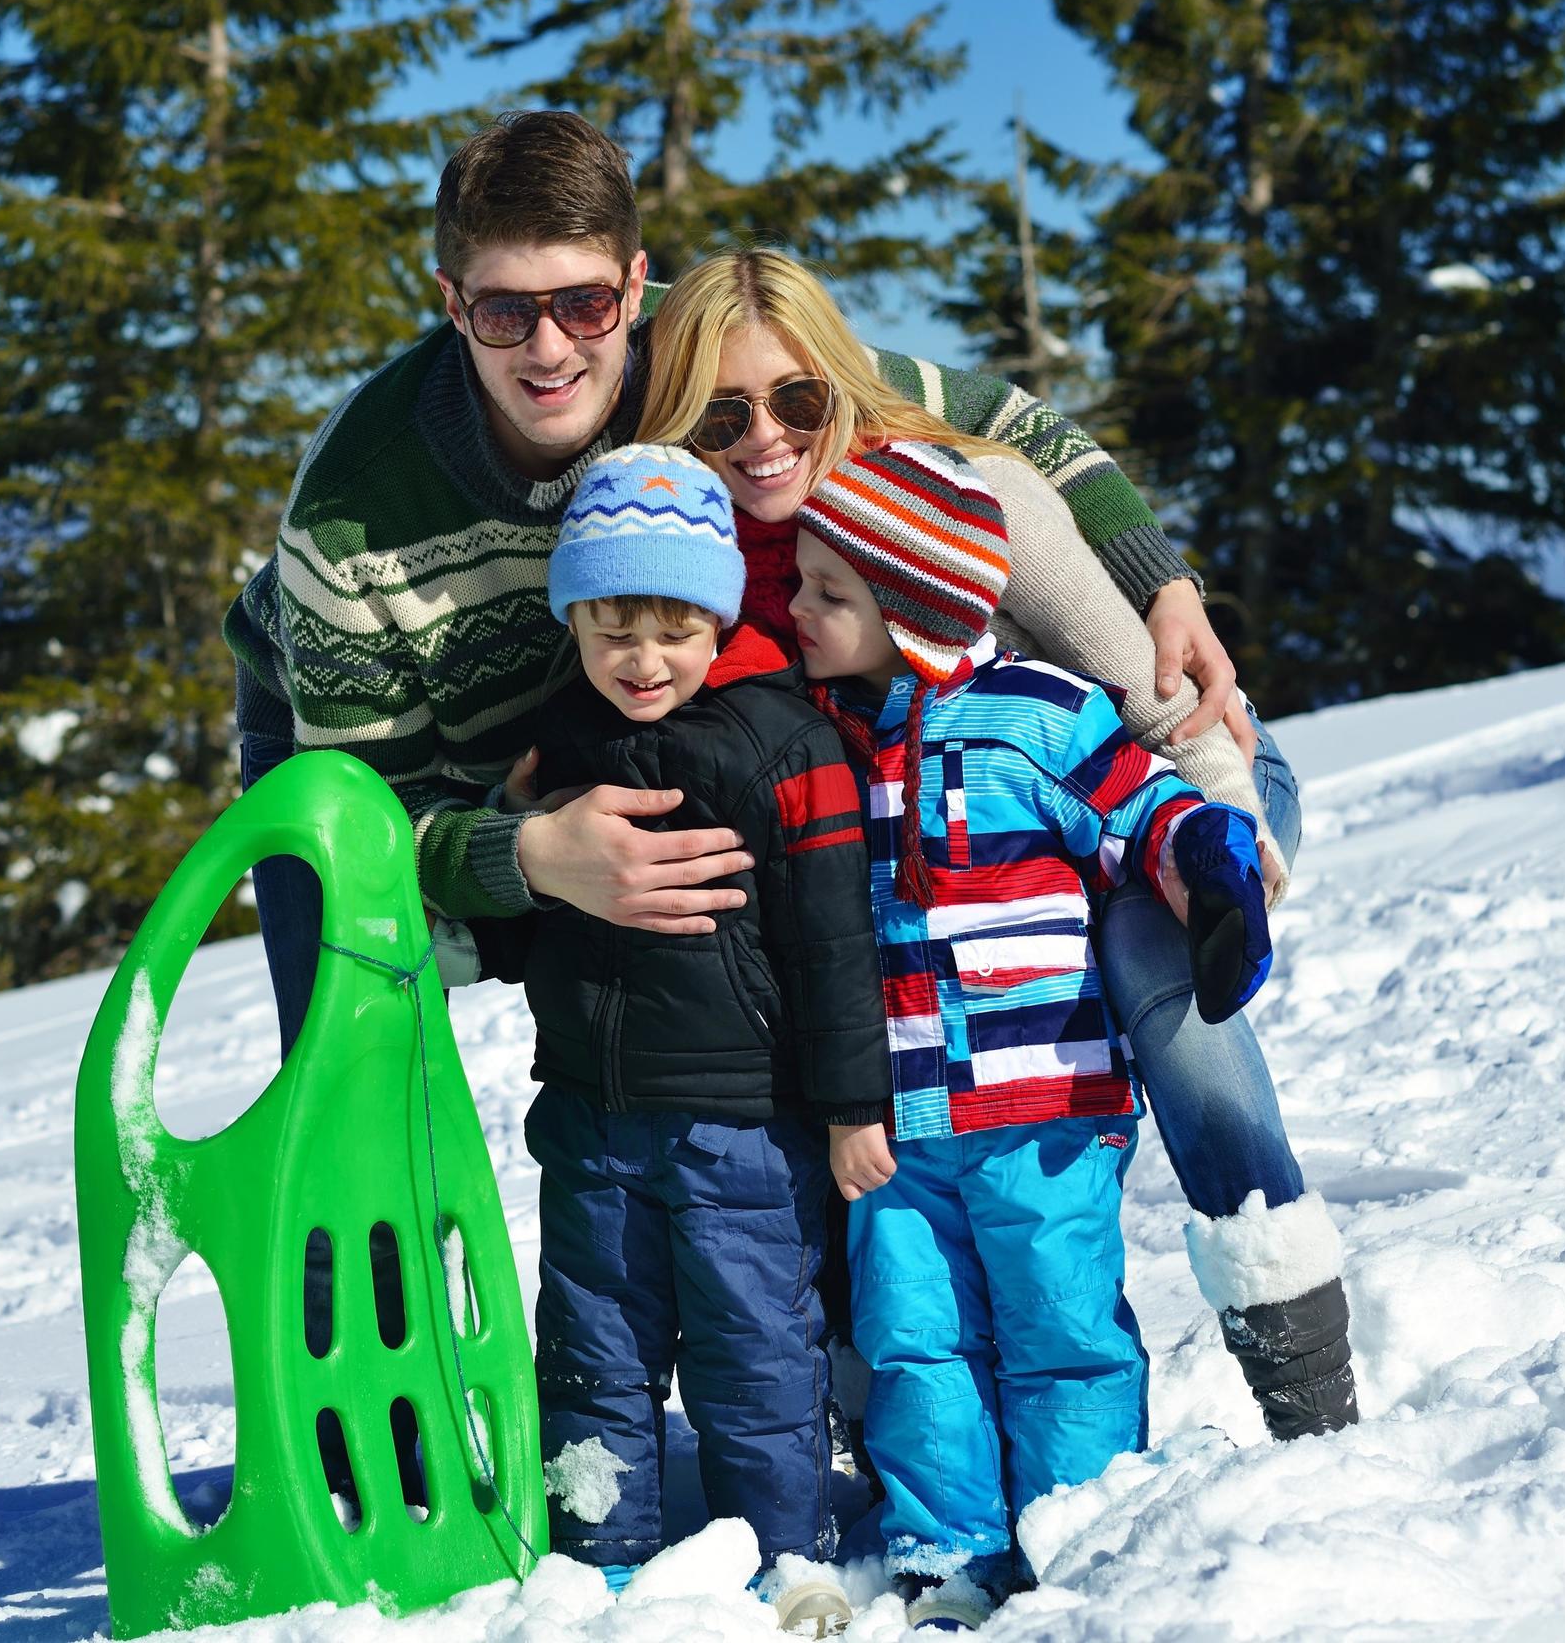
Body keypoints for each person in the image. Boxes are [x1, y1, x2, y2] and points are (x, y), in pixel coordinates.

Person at [222, 112, 1232, 1015]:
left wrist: (1161, 581)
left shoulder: (711, 348)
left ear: (632, 282)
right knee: (356, 1023)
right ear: (451, 301)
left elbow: (1007, 419)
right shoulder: (355, 508)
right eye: (503, 312)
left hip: (617, 721)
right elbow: (372, 827)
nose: (548, 347)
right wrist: (525, 852)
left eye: (582, 304)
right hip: (361, 738)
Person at [636, 248, 1358, 1444]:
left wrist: (1222, 844)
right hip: (976, 826)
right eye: (724, 412)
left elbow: (1162, 700)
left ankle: (1303, 1372)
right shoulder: (714, 562)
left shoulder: (966, 499)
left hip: (1158, 767)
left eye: (797, 401)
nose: (763, 435)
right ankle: (903, 1407)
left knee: (1148, 961)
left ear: (842, 386)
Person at [790, 441, 1273, 1631]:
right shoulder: (822, 746)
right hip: (899, 1126)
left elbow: (1143, 811)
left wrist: (1208, 868)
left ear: (911, 610)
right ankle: (942, 1547)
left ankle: (1083, 1526)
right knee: (916, 1340)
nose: (797, 609)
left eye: (827, 592)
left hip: (1046, 1110)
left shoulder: (1045, 714)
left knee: (1059, 1324)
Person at [511, 445, 885, 1607]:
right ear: (575, 618)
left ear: (719, 619)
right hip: (589, 1108)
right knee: (592, 1348)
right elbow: (527, 921)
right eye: (613, 626)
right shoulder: (556, 743)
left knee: (756, 1354)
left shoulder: (788, 746)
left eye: (673, 627)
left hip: (743, 1125)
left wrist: (849, 1106)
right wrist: (517, 824)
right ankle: (597, 1556)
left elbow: (833, 947)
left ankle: (786, 1558)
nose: (642, 658)